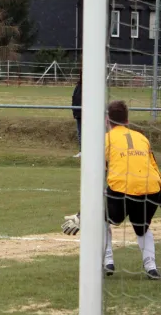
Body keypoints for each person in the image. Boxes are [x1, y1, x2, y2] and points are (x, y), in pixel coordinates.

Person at [62, 100, 161, 280]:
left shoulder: (106, 139)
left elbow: (95, 174)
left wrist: (82, 213)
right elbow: (154, 167)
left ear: (107, 120)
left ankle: (107, 261)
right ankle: (151, 267)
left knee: (103, 219)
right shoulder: (142, 137)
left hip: (122, 189)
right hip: (151, 189)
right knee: (142, 229)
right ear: (127, 119)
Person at [71, 72, 82, 158]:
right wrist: (75, 112)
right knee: (80, 133)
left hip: (85, 114)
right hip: (79, 113)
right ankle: (82, 151)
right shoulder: (78, 86)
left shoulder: (90, 87)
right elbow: (74, 99)